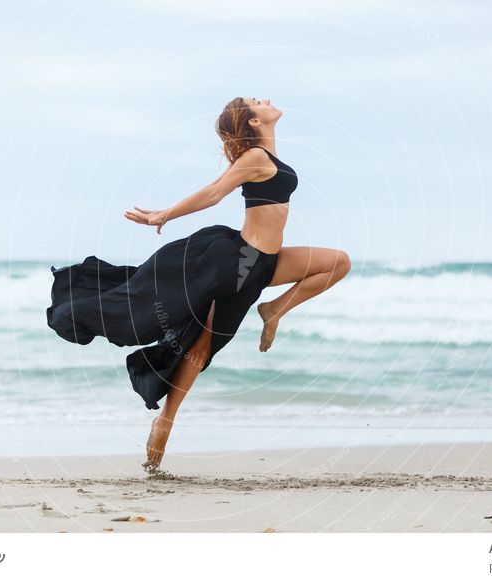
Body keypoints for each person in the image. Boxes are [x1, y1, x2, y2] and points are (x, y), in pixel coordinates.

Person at [46, 96, 351, 471]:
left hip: (265, 260)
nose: (265, 101)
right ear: (254, 122)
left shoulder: (264, 157)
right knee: (201, 347)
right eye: (257, 103)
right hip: (244, 262)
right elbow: (213, 192)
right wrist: (166, 214)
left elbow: (215, 183)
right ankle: (165, 421)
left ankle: (273, 310)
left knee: (337, 263)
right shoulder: (255, 157)